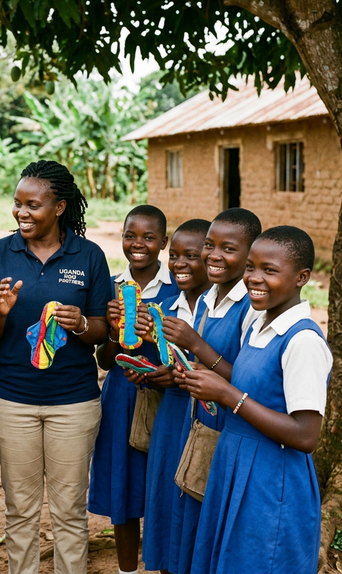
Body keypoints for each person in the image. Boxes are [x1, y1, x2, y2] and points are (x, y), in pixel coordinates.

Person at [0, 160, 112, 574]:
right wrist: (0, 312)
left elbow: (103, 329)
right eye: (17, 204)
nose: (21, 213)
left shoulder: (88, 255)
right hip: (11, 401)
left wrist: (82, 323)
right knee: (21, 511)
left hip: (74, 403)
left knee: (71, 510)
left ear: (59, 207)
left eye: (32, 204)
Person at [186, 226, 332, 574]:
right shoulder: (259, 325)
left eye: (270, 270)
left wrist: (228, 396)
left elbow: (306, 435)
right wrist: (206, 380)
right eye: (251, 267)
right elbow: (249, 385)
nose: (254, 278)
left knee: (260, 561)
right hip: (235, 464)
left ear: (302, 278)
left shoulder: (303, 341)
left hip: (272, 480)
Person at [163, 208, 262, 574]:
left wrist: (196, 344)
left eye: (228, 248)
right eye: (209, 245)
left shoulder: (251, 306)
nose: (214, 256)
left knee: (215, 528)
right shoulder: (208, 298)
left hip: (230, 433)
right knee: (189, 528)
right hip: (200, 429)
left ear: (251, 253)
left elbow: (250, 383)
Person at [88, 204, 180, 574]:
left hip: (167, 397)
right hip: (122, 397)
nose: (137, 244)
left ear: (163, 242)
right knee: (122, 485)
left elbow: (182, 351)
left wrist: (152, 334)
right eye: (130, 235)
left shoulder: (178, 286)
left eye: (148, 237)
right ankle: (127, 569)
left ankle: (165, 564)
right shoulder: (110, 286)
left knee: (163, 485)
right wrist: (115, 331)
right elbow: (105, 361)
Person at [133, 219, 212, 574]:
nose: (179, 264)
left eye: (191, 256)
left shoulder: (225, 309)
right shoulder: (164, 306)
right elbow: (157, 360)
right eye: (174, 255)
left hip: (208, 420)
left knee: (199, 504)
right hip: (171, 416)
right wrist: (154, 375)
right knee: (166, 502)